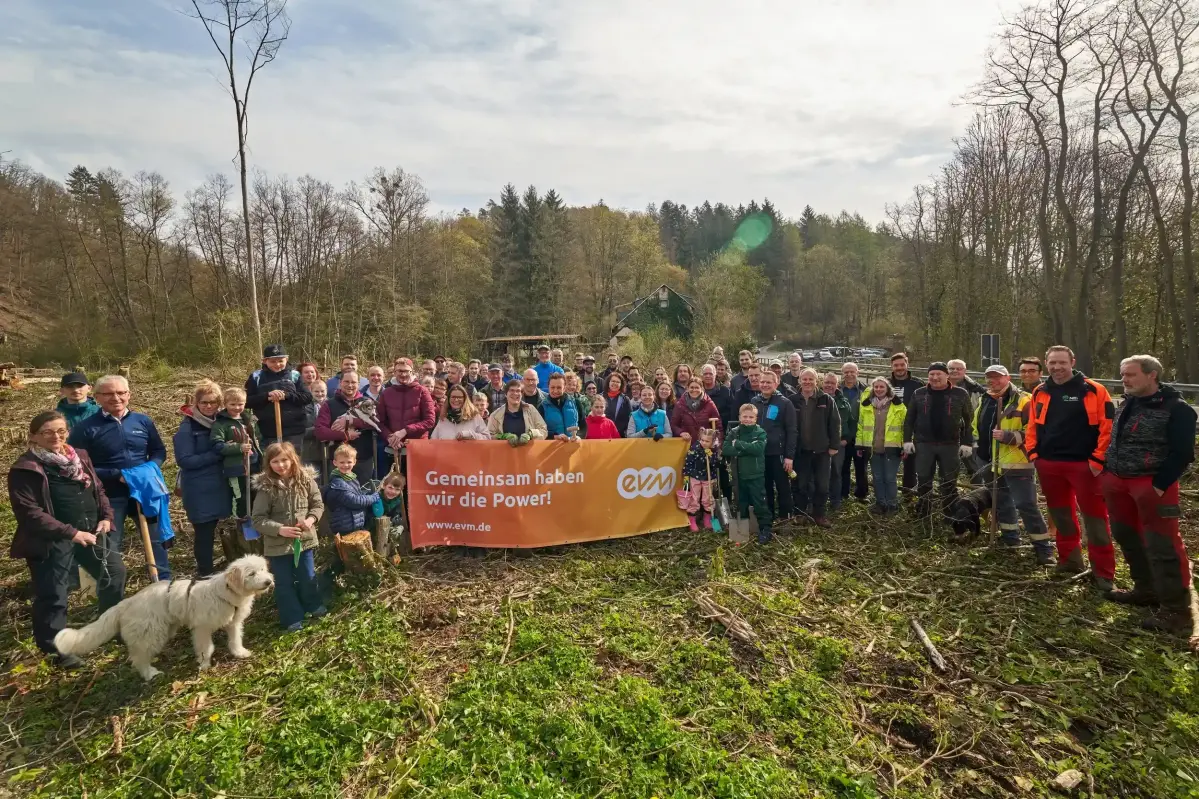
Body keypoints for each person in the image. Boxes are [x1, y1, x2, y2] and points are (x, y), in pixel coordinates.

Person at [9, 411, 126, 668]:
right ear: (34, 436)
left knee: (114, 573)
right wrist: (70, 533)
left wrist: (106, 516)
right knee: (54, 594)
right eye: (48, 432)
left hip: (91, 532)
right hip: (52, 540)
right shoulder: (25, 469)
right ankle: (55, 651)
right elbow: (30, 513)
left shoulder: (79, 457)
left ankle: (108, 626)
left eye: (61, 431)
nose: (56, 436)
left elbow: (98, 489)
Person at [1100, 354, 1197, 634]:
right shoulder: (1129, 402)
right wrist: (1108, 471)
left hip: (1152, 485)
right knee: (1126, 535)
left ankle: (1177, 611)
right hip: (1118, 480)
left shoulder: (1177, 409)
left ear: (1152, 375)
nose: (1123, 380)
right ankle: (1146, 589)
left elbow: (1183, 453)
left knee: (1163, 545)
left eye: (1130, 374)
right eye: (1122, 374)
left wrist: (1159, 484)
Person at [1024, 345, 1116, 590]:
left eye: (1062, 362)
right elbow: (1032, 425)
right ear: (1046, 363)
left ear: (1072, 362)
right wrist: (1033, 453)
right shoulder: (1040, 392)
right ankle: (1069, 560)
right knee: (1062, 516)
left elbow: (1108, 428)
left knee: (1095, 520)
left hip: (1085, 466)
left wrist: (1098, 460)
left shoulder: (1094, 390)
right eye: (1052, 362)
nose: (1057, 367)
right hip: (1049, 464)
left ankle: (1103, 571)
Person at [68, 375, 172, 580]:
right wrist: (118, 475)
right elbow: (79, 466)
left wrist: (150, 468)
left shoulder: (142, 421)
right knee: (110, 545)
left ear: (129, 395)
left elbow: (159, 451)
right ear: (97, 397)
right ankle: (113, 589)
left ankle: (163, 584)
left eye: (121, 392)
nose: (115, 397)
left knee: (155, 540)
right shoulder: (85, 428)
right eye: (108, 393)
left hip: (145, 492)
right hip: (110, 497)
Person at [973, 365, 1053, 563]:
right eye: (990, 378)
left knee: (1026, 504)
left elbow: (1036, 432)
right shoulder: (985, 399)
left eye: (998, 377)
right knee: (1001, 502)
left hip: (1017, 462)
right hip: (989, 461)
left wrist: (1009, 437)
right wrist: (976, 447)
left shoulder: (1023, 400)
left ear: (1008, 377)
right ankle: (1010, 540)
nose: (993, 381)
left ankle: (1043, 548)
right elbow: (976, 426)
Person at [250, 442, 326, 632]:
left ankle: (313, 605)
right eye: (275, 461)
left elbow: (318, 504)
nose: (281, 465)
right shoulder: (266, 487)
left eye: (284, 460)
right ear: (269, 464)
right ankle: (292, 617)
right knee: (283, 583)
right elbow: (258, 519)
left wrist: (310, 520)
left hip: (304, 541)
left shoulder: (306, 481)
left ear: (293, 459)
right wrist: (280, 529)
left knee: (308, 576)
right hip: (277, 546)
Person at [174, 381, 233, 576]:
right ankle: (205, 573)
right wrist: (220, 453)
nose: (209, 406)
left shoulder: (224, 422)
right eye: (204, 402)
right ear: (196, 403)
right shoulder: (188, 427)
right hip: (199, 488)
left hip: (221, 484)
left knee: (224, 527)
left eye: (214, 402)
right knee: (204, 533)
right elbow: (185, 460)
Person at [903, 363, 974, 520]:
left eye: (938, 374)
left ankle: (949, 513)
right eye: (931, 375)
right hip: (924, 444)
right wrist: (907, 440)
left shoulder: (960, 394)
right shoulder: (919, 393)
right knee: (923, 479)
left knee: (948, 480)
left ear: (947, 375)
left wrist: (967, 442)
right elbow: (909, 420)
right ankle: (923, 513)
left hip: (950, 444)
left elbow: (969, 420)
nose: (935, 378)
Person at [789, 368, 837, 527]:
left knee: (822, 485)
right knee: (800, 484)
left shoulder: (826, 400)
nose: (807, 382)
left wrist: (834, 445)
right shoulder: (793, 400)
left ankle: (819, 514)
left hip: (822, 450)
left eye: (811, 379)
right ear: (800, 381)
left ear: (817, 381)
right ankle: (800, 513)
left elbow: (835, 424)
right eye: (805, 379)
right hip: (801, 451)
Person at [245, 344, 313, 452]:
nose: (277, 364)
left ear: (287, 359)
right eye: (272, 361)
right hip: (268, 431)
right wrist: (267, 396)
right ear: (264, 361)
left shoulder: (295, 375)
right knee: (273, 463)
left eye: (281, 361)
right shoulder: (256, 377)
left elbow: (307, 397)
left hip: (294, 431)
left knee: (292, 463)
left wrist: (287, 395)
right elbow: (247, 402)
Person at [749, 371, 796, 523]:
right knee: (765, 485)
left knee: (782, 486)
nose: (765, 385)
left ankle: (785, 517)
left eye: (769, 382)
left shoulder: (785, 403)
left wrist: (789, 456)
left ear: (776, 384)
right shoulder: (754, 402)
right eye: (763, 382)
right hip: (760, 453)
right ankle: (769, 515)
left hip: (779, 453)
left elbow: (792, 430)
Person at [378, 358, 438, 477]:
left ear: (412, 372)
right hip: (394, 450)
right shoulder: (386, 393)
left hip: (417, 449)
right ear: (394, 372)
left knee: (416, 488)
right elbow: (380, 422)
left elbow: (430, 420)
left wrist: (404, 431)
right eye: (399, 371)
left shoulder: (422, 391)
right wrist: (390, 437)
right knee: (394, 490)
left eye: (406, 371)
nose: (403, 374)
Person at [315, 370, 377, 481]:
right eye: (346, 381)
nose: (350, 385)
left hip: (363, 459)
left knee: (363, 493)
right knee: (339, 494)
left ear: (358, 384)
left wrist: (351, 421)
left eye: (353, 382)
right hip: (339, 461)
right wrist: (345, 434)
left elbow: (376, 423)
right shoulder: (329, 404)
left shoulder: (367, 402)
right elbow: (320, 431)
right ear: (340, 383)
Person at [857, 377, 906, 515]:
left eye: (882, 387)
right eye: (876, 387)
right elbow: (861, 426)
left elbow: (905, 428)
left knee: (889, 478)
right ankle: (880, 503)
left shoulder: (898, 406)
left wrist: (905, 446)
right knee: (877, 477)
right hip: (873, 448)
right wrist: (860, 445)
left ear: (887, 389)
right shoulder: (866, 406)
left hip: (892, 448)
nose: (878, 389)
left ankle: (892, 504)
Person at [210, 387, 261, 520]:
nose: (237, 407)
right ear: (225, 404)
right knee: (240, 497)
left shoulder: (249, 420)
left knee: (255, 494)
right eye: (233, 404)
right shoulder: (221, 423)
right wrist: (238, 447)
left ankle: (255, 522)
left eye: (240, 404)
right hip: (235, 468)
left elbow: (258, 438)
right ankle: (239, 521)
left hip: (253, 463)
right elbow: (217, 445)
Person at [723, 404, 770, 544]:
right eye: (745, 416)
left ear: (756, 419)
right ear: (739, 417)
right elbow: (726, 449)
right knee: (740, 503)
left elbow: (758, 449)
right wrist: (745, 450)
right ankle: (741, 533)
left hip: (756, 475)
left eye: (751, 417)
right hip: (739, 475)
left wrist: (737, 444)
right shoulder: (734, 432)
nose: (747, 419)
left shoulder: (760, 432)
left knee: (759, 502)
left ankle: (765, 528)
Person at [324, 443, 381, 542]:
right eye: (342, 462)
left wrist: (365, 494)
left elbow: (357, 494)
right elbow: (354, 501)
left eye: (349, 462)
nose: (345, 465)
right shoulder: (338, 483)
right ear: (335, 463)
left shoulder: (352, 478)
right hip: (344, 525)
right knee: (345, 552)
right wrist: (373, 497)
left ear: (354, 462)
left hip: (353, 522)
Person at [889, 352, 924, 494]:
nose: (899, 368)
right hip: (889, 431)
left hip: (913, 431)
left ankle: (908, 495)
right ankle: (888, 496)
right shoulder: (885, 383)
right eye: (896, 365)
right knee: (889, 465)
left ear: (907, 364)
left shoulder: (918, 384)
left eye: (902, 364)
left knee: (910, 466)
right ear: (891, 367)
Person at [679, 427, 720, 531]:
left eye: (707, 441)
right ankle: (692, 520)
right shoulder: (695, 448)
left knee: (708, 498)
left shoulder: (714, 450)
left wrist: (711, 456)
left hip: (708, 477)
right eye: (702, 440)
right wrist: (686, 474)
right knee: (694, 498)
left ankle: (708, 518)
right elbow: (688, 461)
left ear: (712, 441)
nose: (704, 443)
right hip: (695, 476)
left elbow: (716, 464)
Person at [824, 372, 853, 516]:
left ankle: (835, 502)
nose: (829, 385)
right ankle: (819, 502)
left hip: (837, 445)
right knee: (819, 474)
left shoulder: (843, 402)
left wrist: (846, 439)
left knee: (836, 473)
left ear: (837, 385)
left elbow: (851, 422)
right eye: (827, 382)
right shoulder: (816, 399)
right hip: (820, 445)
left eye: (832, 383)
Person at [840, 363, 869, 503]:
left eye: (852, 371)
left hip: (861, 436)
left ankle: (862, 495)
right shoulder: (837, 389)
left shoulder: (866, 390)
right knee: (843, 466)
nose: (849, 374)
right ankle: (843, 494)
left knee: (861, 466)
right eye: (846, 372)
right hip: (843, 435)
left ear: (858, 372)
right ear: (842, 373)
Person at [672, 377, 723, 443]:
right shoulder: (680, 405)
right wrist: (681, 432)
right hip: (686, 444)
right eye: (692, 387)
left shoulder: (709, 404)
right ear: (687, 388)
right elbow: (673, 425)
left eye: (697, 387)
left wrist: (718, 444)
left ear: (702, 389)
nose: (694, 390)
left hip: (705, 445)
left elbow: (718, 426)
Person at [540, 373, 582, 440]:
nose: (555, 391)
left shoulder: (576, 403)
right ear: (548, 387)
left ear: (564, 387)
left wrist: (579, 436)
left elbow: (583, 425)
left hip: (573, 445)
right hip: (553, 446)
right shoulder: (542, 406)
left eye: (559, 387)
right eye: (552, 387)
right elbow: (540, 430)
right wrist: (554, 436)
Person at [303, 381, 328, 474]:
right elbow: (302, 430)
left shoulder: (332, 405)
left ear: (326, 390)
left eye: (322, 391)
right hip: (311, 450)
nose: (320, 394)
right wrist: (319, 430)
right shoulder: (304, 407)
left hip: (329, 450)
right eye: (316, 391)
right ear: (311, 391)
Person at [603, 373, 632, 438]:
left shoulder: (625, 399)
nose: (615, 383)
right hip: (602, 435)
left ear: (621, 385)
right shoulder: (601, 397)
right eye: (613, 381)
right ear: (608, 382)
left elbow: (630, 417)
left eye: (618, 382)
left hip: (620, 435)